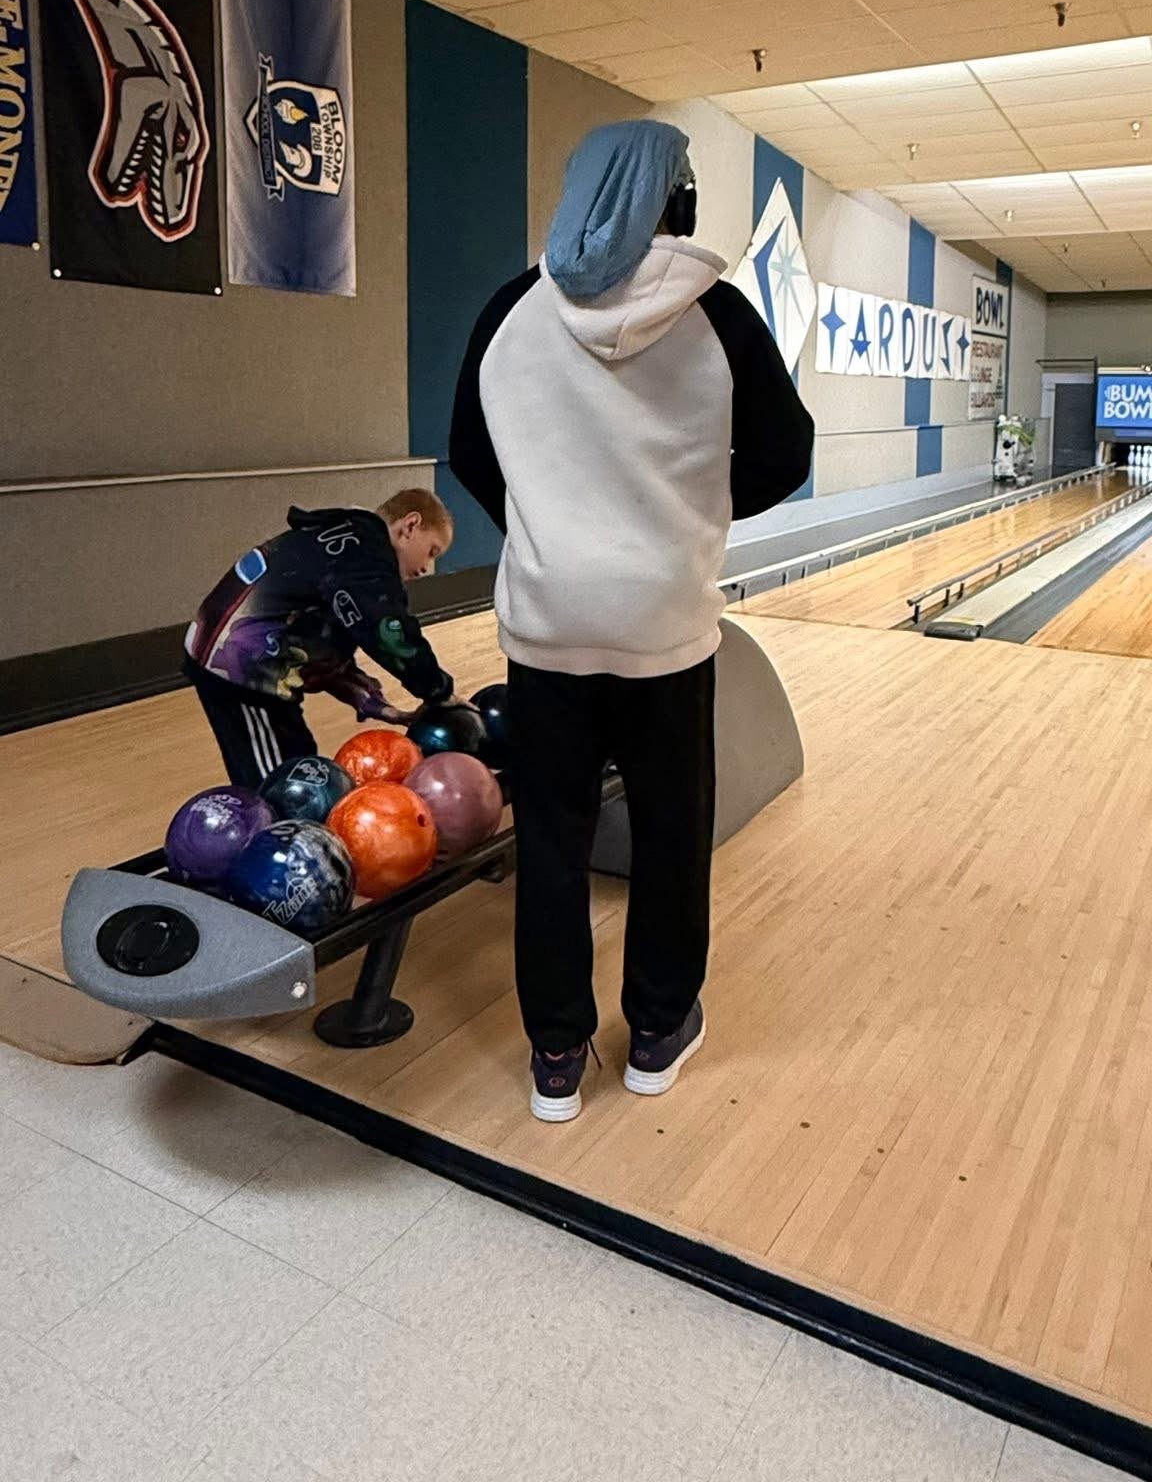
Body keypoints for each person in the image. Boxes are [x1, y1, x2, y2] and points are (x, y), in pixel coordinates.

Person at [450, 119, 814, 1122]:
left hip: (548, 628)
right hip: (665, 627)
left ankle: (556, 1055)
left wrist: (551, 530)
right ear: (676, 202)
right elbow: (787, 452)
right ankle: (658, 1030)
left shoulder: (508, 312)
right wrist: (688, 514)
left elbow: (469, 453)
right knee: (668, 832)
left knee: (555, 841)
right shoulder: (722, 313)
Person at [184, 487, 457, 788]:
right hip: (238, 668)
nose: (426, 568)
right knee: (279, 783)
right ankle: (273, 829)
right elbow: (388, 632)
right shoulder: (367, 555)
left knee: (298, 760)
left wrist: (377, 704)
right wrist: (438, 691)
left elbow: (321, 652)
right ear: (410, 525)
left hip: (241, 657)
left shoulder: (348, 542)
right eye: (432, 551)